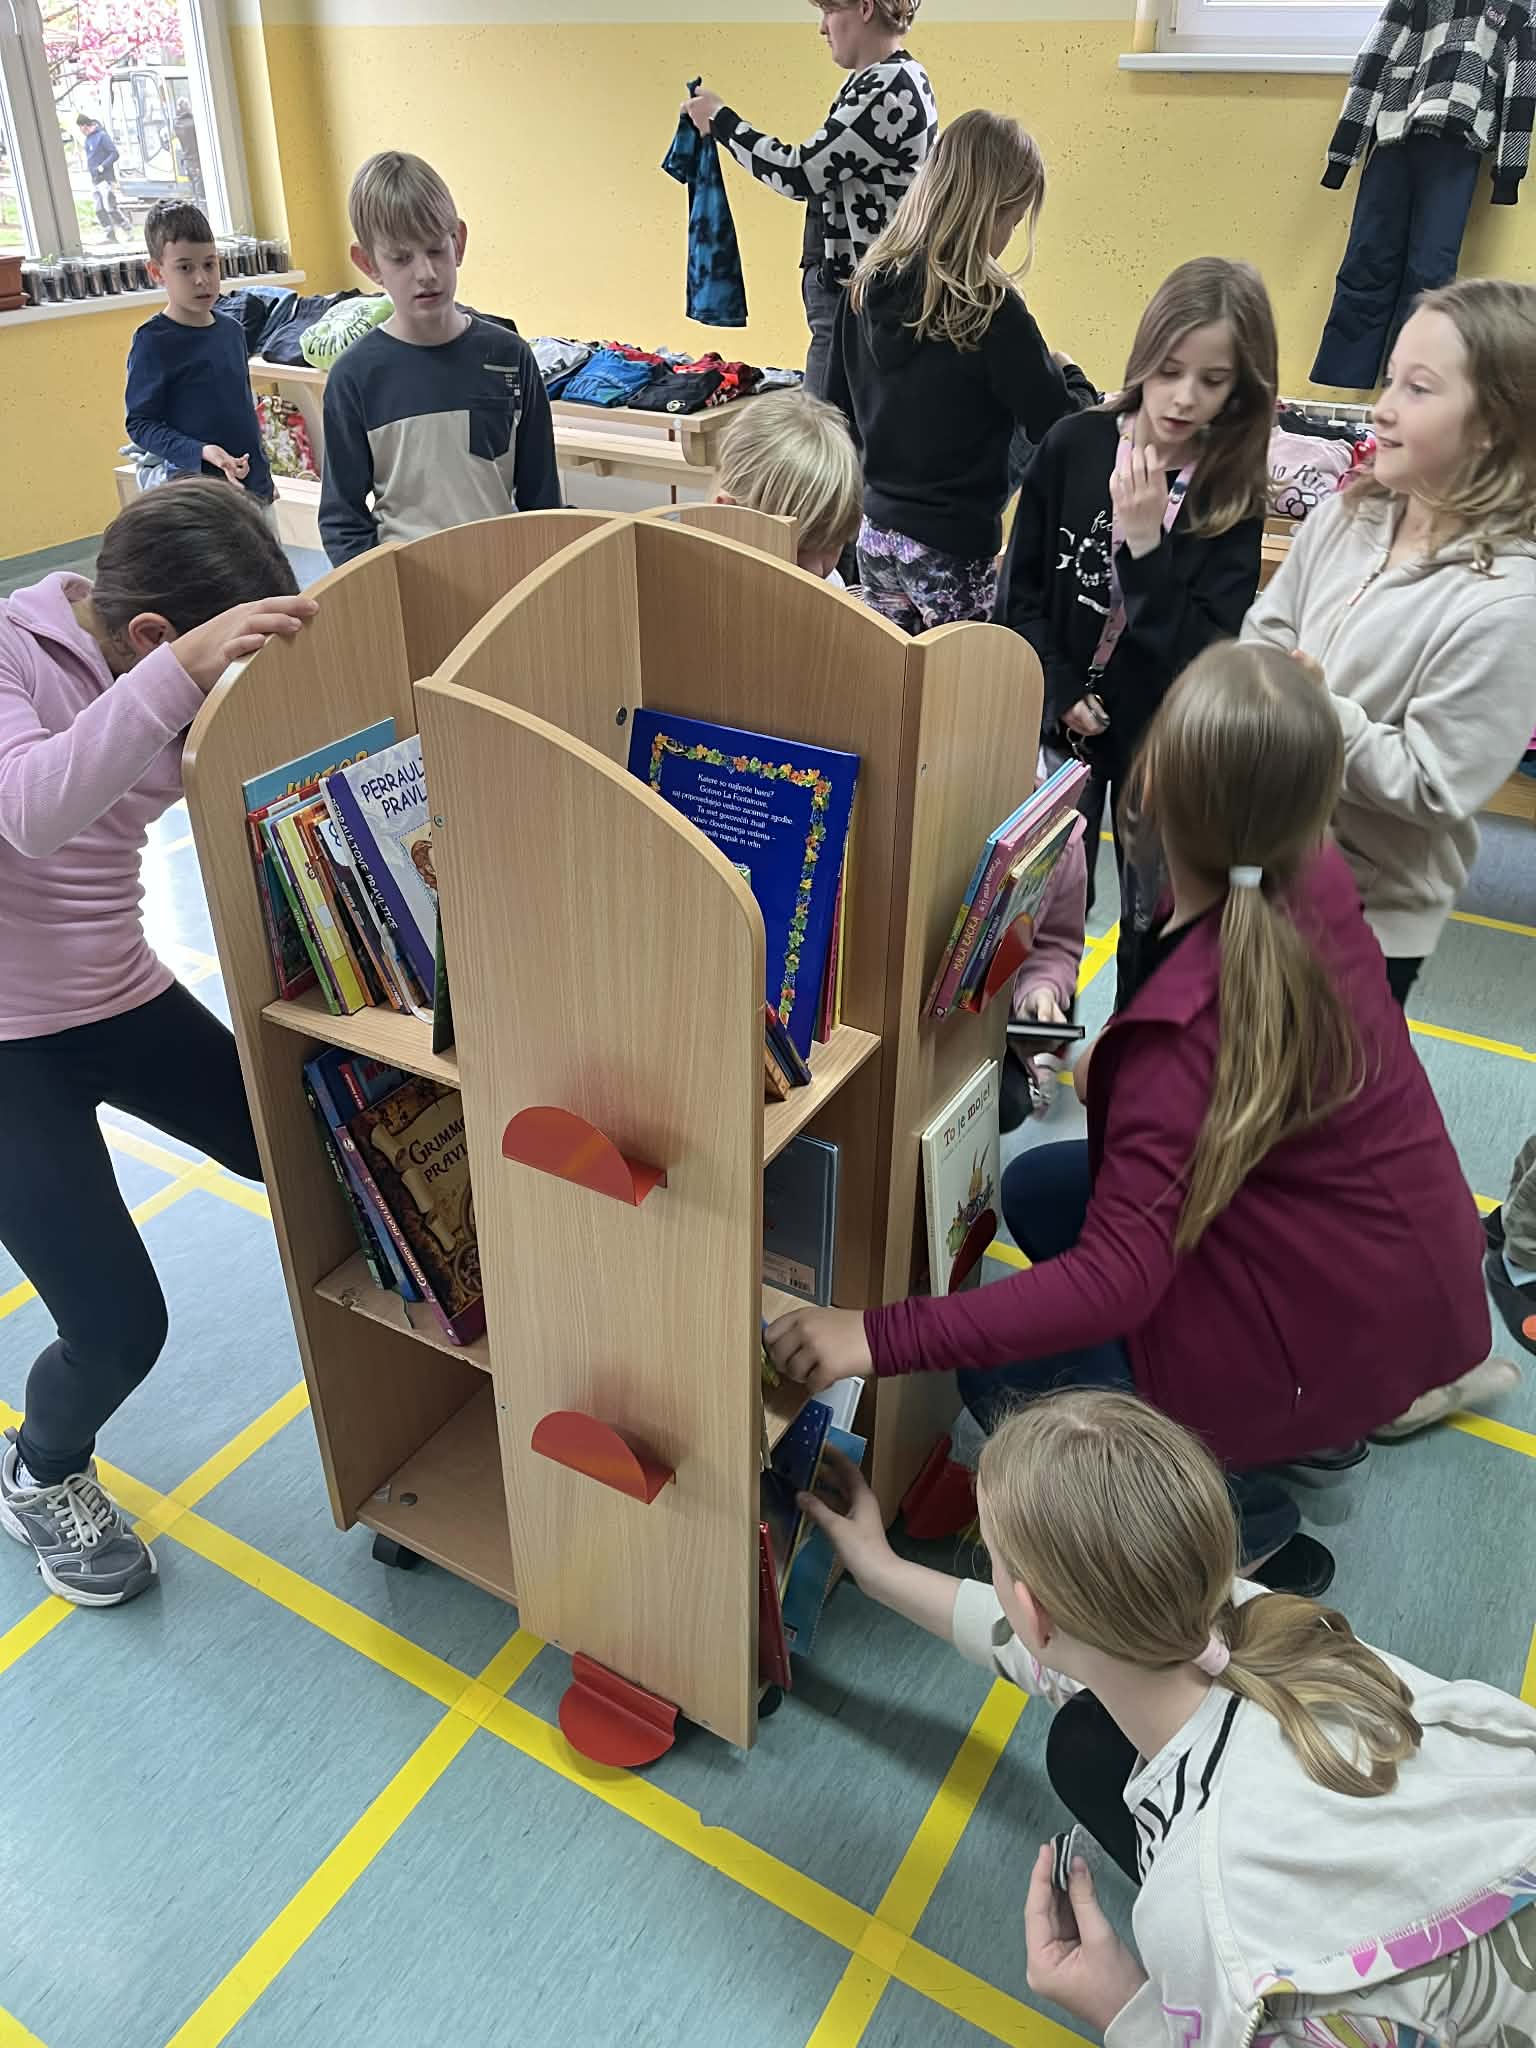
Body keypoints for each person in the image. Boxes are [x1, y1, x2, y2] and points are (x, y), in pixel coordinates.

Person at [766, 644, 1502, 1593]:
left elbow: (1113, 1283)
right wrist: (1110, 1055)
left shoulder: (1186, 1037)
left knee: (1004, 1376)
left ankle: (1234, 1523)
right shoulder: (1307, 875)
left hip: (1331, 1327)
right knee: (1041, 1187)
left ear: (1149, 788)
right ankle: (1285, 1424)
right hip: (1386, 1284)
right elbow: (1219, 1057)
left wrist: (874, 1336)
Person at [798, 1390, 1536, 2047]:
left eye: (990, 1555)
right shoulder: (1259, 1619)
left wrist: (1126, 2008)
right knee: (1084, 1744)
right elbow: (1064, 1647)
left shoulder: (1195, 1908)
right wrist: (880, 1571)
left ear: (1033, 1609)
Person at [0, 481, 316, 1608]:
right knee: (118, 1324)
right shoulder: (10, 651)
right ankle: (40, 1471)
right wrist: (180, 673)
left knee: (313, 1146)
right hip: (7, 1046)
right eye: (189, 664)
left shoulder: (162, 661)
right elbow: (33, 809)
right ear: (148, 636)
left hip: (119, 994)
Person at [1243, 277, 1536, 1006]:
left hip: (1365, 919)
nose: (1383, 408)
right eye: (1391, 378)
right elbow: (1266, 631)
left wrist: (1315, 714)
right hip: (1262, 865)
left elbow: (1435, 783)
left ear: (1493, 424)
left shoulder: (1507, 601)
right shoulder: (1348, 516)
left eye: (1419, 388)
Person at [1000, 258, 1275, 994]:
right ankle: (1029, 1042)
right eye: (1170, 370)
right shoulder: (1075, 445)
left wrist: (1149, 546)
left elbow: (1206, 658)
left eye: (1212, 381)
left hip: (1161, 746)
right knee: (1038, 910)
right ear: (1145, 353)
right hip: (1060, 734)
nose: (1183, 398)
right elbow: (1018, 597)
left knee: (1154, 925)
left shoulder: (1229, 494)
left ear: (1239, 388)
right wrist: (1060, 689)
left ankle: (1133, 1047)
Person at [826, 111, 1094, 633]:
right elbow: (1058, 425)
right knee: (961, 675)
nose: (1010, 236)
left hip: (875, 535)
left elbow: (837, 409)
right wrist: (1072, 376)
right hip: (951, 546)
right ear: (991, 211)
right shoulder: (990, 309)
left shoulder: (863, 287)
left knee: (893, 670)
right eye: (1012, 220)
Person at [319, 150, 561, 566]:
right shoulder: (353, 376)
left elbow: (543, 501)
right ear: (368, 263)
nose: (426, 273)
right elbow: (342, 519)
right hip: (407, 586)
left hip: (505, 578)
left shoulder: (512, 357)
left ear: (458, 242)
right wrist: (379, 587)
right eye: (400, 258)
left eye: (435, 250)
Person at [682, 1, 936, 397]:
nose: (822, 28)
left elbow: (800, 173)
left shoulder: (889, 86)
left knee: (821, 426)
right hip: (857, 296)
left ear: (865, 8)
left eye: (830, 11)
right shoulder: (884, 79)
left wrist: (722, 122)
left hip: (860, 300)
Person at [125, 200, 275, 511]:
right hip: (198, 497)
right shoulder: (152, 341)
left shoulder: (232, 331)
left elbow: (243, 412)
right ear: (156, 272)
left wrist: (264, 476)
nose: (201, 279)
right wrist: (200, 451)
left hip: (253, 489)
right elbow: (140, 424)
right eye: (185, 267)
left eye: (209, 264)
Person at [712, 388, 862, 582]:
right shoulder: (699, 591)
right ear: (728, 516)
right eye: (798, 550)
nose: (817, 570)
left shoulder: (830, 585)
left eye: (832, 545)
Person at [76, 113, 129, 241]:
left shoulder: (102, 136)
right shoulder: (87, 140)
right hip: (95, 179)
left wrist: (103, 166)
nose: (80, 130)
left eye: (80, 127)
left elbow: (114, 154)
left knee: (110, 207)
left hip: (105, 178)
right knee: (98, 208)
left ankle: (128, 229)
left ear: (85, 126)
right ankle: (109, 235)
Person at [173, 98, 205, 207]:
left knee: (197, 194)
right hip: (196, 161)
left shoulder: (177, 124)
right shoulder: (192, 123)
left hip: (188, 162)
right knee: (202, 194)